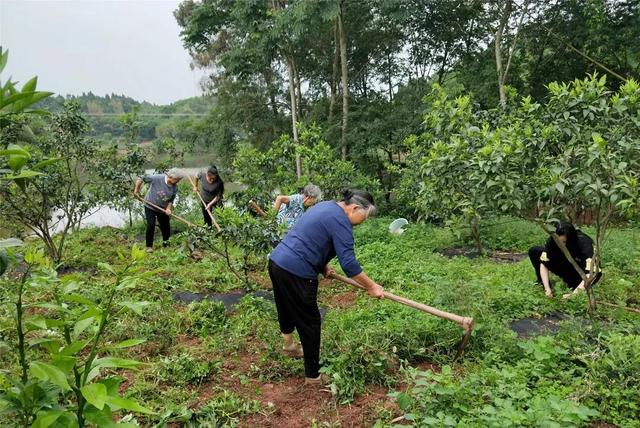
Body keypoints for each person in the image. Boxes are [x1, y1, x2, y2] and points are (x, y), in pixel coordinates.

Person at [268, 189, 384, 385]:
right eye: (364, 217)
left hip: (277, 262)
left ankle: (289, 346)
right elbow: (349, 264)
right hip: (297, 271)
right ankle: (313, 376)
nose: (363, 221)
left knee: (285, 306)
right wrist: (372, 286)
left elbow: (310, 237)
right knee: (310, 322)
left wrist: (322, 266)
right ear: (355, 208)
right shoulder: (341, 221)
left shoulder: (325, 207)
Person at [528, 222, 602, 299]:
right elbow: (544, 262)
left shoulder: (584, 243)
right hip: (565, 265)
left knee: (579, 281)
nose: (560, 245)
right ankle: (542, 283)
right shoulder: (552, 241)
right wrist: (547, 289)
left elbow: (593, 273)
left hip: (580, 273)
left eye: (563, 242)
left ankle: (576, 286)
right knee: (535, 251)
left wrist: (574, 295)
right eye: (558, 242)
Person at [134, 168, 183, 252]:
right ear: (171, 177)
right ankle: (149, 246)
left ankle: (166, 243)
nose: (178, 181)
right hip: (150, 205)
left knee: (166, 227)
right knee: (151, 224)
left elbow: (171, 200)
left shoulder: (175, 187)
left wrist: (168, 209)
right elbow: (140, 178)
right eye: (177, 179)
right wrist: (137, 191)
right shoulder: (157, 178)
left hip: (162, 209)